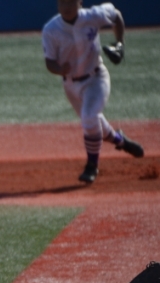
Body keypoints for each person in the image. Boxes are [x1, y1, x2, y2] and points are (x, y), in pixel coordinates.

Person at [42, 0, 144, 184]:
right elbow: (49, 61)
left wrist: (120, 44)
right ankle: (120, 140)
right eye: (62, 2)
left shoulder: (93, 15)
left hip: (96, 78)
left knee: (89, 117)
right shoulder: (51, 29)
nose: (66, 7)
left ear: (80, 2)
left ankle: (92, 165)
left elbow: (116, 16)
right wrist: (58, 69)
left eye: (71, 2)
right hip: (70, 85)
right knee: (92, 121)